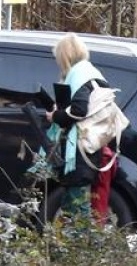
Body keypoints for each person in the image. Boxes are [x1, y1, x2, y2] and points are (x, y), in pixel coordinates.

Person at [45, 34, 117, 218]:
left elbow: (78, 111)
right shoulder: (92, 74)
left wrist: (55, 116)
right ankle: (75, 242)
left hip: (80, 152)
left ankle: (81, 243)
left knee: (78, 205)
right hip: (90, 149)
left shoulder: (79, 75)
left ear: (65, 56)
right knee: (72, 203)